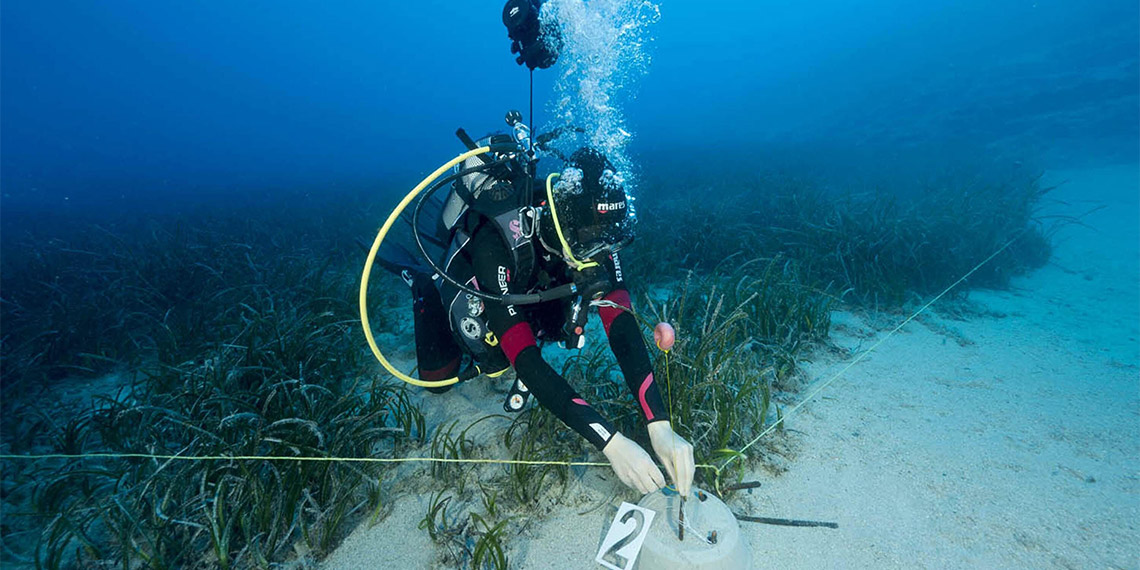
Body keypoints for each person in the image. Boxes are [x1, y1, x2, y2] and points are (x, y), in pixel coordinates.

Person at [375, 135, 695, 497]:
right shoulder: (498, 238)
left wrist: (659, 424)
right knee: (454, 373)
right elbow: (526, 361)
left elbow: (622, 326)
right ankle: (421, 281)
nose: (601, 253)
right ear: (566, 224)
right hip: (481, 289)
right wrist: (611, 442)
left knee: (550, 324)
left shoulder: (596, 237)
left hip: (531, 293)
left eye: (610, 239)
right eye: (592, 239)